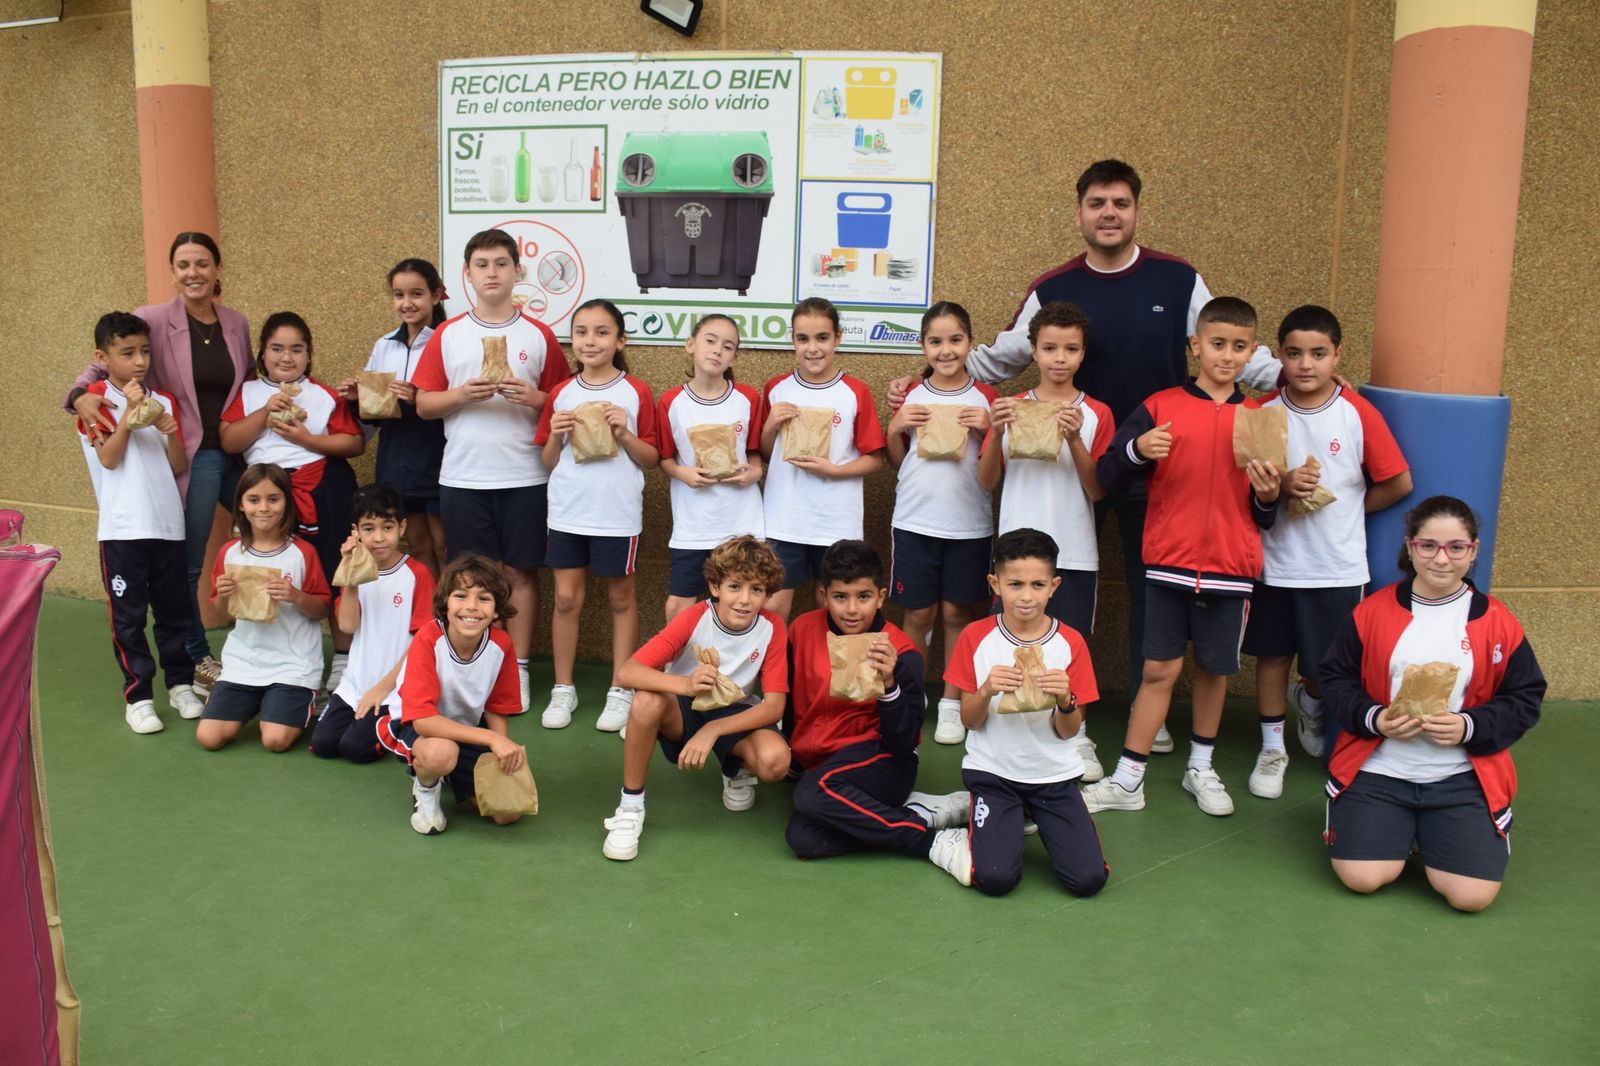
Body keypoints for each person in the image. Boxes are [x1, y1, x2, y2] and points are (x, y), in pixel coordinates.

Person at [888, 161, 1278, 748]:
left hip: (1156, 457)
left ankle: (1154, 710)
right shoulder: (1053, 287)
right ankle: (1026, 695)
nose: (1109, 213)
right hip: (1073, 463)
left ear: (1136, 210)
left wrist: (1302, 383)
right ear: (1079, 213)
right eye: (1097, 203)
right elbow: (999, 356)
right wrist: (927, 383)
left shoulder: (1178, 279)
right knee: (1046, 577)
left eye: (1120, 203)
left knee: (1152, 583)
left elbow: (1232, 340)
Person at [1081, 297, 1281, 816]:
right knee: (1157, 673)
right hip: (1166, 566)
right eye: (1217, 344)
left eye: (1239, 347)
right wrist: (1136, 450)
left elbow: (1267, 515)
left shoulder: (1261, 418)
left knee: (1214, 672)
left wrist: (1267, 495)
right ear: (1195, 346)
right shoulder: (1160, 405)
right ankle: (1128, 780)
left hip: (1230, 571)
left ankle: (1201, 769)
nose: (1227, 355)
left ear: (1253, 352)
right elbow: (1106, 474)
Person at [1318, 496, 1544, 911]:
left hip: (1460, 776)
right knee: (1363, 878)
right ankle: (1392, 827)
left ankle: (1434, 831)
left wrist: (1470, 726)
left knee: (1471, 898)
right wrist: (1375, 719)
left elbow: (1526, 697)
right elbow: (1334, 678)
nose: (1442, 559)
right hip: (1380, 769)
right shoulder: (1372, 612)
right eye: (1428, 546)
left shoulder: (1497, 620)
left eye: (1456, 547)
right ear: (1410, 547)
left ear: (1473, 551)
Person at [66, 232, 254, 688]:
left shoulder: (235, 322)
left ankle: (261, 646)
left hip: (236, 448)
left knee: (269, 532)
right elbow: (105, 360)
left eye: (203, 263)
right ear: (173, 272)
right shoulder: (151, 319)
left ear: (218, 269)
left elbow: (247, 378)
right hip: (191, 452)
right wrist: (77, 397)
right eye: (184, 264)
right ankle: (196, 655)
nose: (194, 273)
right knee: (188, 565)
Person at [1241, 305, 1412, 797]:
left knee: (1325, 667)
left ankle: (1311, 703)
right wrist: (1282, 486)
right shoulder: (1262, 413)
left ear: (1337, 355)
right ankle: (1272, 750)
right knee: (1271, 657)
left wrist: (1350, 508)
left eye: (1318, 353)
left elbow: (1398, 481)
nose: (1305, 364)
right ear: (1280, 358)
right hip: (1275, 563)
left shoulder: (1356, 411)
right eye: (1294, 354)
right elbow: (1250, 492)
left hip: (1337, 567)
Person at [413, 228, 571, 710]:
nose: (492, 273)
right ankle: (481, 668)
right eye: (481, 265)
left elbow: (567, 401)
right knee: (472, 581)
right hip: (463, 477)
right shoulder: (449, 333)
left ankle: (518, 669)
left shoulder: (538, 335)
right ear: (466, 275)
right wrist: (462, 394)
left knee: (522, 573)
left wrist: (536, 398)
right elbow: (423, 403)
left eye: (501, 264)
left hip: (526, 475)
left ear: (517, 271)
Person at [976, 300, 1114, 777]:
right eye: (1050, 347)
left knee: (1069, 648)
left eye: (1070, 349)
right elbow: (987, 481)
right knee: (1006, 644)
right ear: (1033, 351)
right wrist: (995, 433)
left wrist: (1075, 439)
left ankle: (1078, 736)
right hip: (1015, 553)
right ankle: (1002, 737)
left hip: (1073, 551)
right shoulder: (1013, 408)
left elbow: (1098, 488)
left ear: (1082, 353)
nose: (1060, 358)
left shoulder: (1095, 413)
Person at [784, 540, 972, 885]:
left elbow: (903, 743)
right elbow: (791, 702)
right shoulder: (801, 630)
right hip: (821, 764)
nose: (852, 609)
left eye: (863, 596)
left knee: (813, 794)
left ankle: (930, 842)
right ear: (824, 594)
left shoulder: (902, 651)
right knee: (804, 838)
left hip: (883, 762)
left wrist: (889, 685)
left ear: (881, 596)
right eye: (841, 597)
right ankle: (916, 816)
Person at [600, 535, 791, 862]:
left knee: (776, 762)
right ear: (715, 586)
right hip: (686, 707)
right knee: (647, 700)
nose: (744, 600)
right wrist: (686, 685)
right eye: (735, 587)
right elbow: (627, 673)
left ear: (768, 594)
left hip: (734, 712)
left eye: (756, 589)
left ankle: (735, 767)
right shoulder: (695, 617)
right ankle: (630, 807)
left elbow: (774, 706)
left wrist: (712, 731)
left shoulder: (772, 627)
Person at [945, 528, 1109, 897]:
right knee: (996, 879)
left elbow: (1068, 731)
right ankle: (967, 827)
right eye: (1015, 584)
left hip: (1053, 775)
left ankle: (1027, 814)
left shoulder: (1070, 643)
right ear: (995, 584)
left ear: (1054, 586)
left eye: (1038, 585)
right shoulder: (975, 637)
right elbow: (970, 721)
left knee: (1088, 881)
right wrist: (986, 689)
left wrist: (1066, 699)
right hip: (993, 772)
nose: (1026, 596)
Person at [218, 311, 363, 693]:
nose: (287, 357)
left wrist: (305, 439)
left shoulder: (322, 394)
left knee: (333, 569)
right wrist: (266, 411)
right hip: (265, 494)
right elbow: (230, 441)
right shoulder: (248, 393)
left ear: (309, 354)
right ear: (262, 353)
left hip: (320, 488)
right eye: (277, 349)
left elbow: (354, 443)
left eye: (296, 349)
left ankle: (343, 659)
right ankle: (272, 661)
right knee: (273, 570)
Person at [75, 311, 203, 733]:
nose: (140, 361)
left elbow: (178, 463)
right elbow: (109, 459)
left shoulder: (162, 399)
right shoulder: (95, 403)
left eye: (145, 351)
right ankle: (139, 695)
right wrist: (130, 416)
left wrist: (168, 430)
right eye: (127, 353)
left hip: (167, 525)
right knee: (128, 617)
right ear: (102, 356)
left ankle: (180, 684)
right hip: (123, 529)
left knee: (174, 612)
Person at [535, 299, 660, 732]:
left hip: (617, 515)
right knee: (567, 599)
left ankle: (620, 688)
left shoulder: (636, 391)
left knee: (621, 599)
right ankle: (563, 688)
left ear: (620, 340)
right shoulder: (561, 393)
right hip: (567, 512)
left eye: (602, 332)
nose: (591, 340)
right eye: (583, 331)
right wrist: (554, 435)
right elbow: (549, 462)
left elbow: (651, 458)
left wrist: (624, 432)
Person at [885, 301, 996, 747]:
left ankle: (951, 702)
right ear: (923, 345)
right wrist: (894, 425)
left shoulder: (986, 396)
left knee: (957, 614)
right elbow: (896, 460)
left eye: (955, 340)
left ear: (969, 343)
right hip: (914, 518)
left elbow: (996, 463)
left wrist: (990, 429)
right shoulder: (910, 392)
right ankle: (913, 698)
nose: (946, 350)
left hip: (969, 522)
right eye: (936, 341)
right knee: (918, 613)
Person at [373, 553, 529, 836]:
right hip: (411, 725)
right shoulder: (428, 638)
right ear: (445, 604)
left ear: (496, 611)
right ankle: (426, 788)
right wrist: (492, 739)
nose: (471, 607)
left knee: (508, 814)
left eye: (484, 598)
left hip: (465, 728)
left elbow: (496, 707)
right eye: (460, 595)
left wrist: (501, 752)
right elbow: (423, 721)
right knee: (441, 754)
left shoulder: (501, 645)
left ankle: (454, 778)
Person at [760, 298, 886, 619]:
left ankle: (824, 671)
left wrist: (835, 471)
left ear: (838, 338)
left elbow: (875, 458)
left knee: (831, 607)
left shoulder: (854, 391)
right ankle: (777, 672)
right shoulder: (776, 388)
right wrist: (771, 424)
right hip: (784, 518)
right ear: (793, 341)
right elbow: (764, 454)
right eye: (803, 339)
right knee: (774, 608)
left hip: (835, 522)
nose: (812, 348)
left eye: (822, 338)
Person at [196, 463, 331, 753]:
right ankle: (253, 700)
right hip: (244, 662)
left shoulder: (302, 552)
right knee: (209, 738)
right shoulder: (230, 552)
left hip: (293, 665)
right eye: (254, 500)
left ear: (286, 502)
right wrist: (222, 594)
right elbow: (222, 612)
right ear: (241, 505)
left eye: (273, 499)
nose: (264, 508)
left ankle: (305, 695)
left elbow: (322, 609)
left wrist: (295, 596)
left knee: (275, 741)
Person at [309, 484, 436, 763]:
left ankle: (405, 723)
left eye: (387, 527)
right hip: (356, 682)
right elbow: (347, 626)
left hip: (395, 688)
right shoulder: (353, 571)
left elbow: (421, 644)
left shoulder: (417, 574)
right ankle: (367, 718)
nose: (378, 538)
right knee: (324, 744)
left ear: (401, 527)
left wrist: (383, 687)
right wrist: (351, 575)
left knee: (356, 749)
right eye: (368, 528)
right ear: (356, 531)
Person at [339, 258, 450, 576]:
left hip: (439, 459)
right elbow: (375, 412)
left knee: (445, 545)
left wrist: (418, 397)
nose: (407, 303)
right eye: (399, 295)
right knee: (417, 545)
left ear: (436, 294)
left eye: (416, 293)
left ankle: (449, 619)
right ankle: (427, 620)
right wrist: (357, 398)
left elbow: (456, 402)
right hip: (398, 458)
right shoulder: (385, 344)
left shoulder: (449, 340)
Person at [656, 314, 766, 621]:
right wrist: (683, 473)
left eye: (727, 346)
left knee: (743, 603)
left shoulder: (747, 398)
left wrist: (754, 473)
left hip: (742, 521)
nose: (717, 350)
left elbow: (756, 454)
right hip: (693, 524)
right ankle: (679, 666)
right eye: (710, 340)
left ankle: (740, 668)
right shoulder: (671, 401)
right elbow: (664, 457)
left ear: (734, 356)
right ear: (690, 344)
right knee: (680, 606)